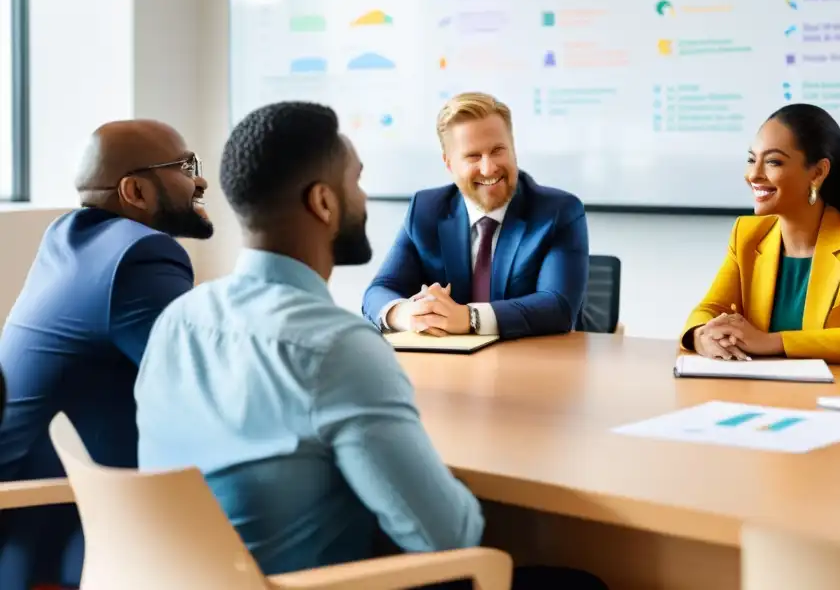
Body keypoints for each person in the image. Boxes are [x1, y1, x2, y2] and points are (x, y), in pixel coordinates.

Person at [135, 102, 604, 590]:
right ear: (323, 202)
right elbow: (453, 537)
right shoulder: (337, 349)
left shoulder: (177, 319)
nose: (363, 197)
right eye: (355, 181)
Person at [0, 120, 213, 590]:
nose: (199, 180)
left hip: (39, 506)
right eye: (185, 167)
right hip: (43, 527)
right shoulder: (140, 256)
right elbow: (212, 386)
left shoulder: (70, 238)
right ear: (135, 190)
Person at [681, 103, 840, 365]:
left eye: (773, 161)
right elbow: (708, 309)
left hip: (832, 393)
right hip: (755, 389)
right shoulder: (747, 234)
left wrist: (767, 341)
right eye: (752, 159)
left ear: (818, 172)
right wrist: (701, 336)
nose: (754, 174)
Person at [362, 92, 589, 339]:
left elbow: (558, 307)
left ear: (513, 150)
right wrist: (407, 313)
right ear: (449, 164)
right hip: (450, 368)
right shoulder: (426, 209)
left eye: (498, 150)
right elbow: (379, 290)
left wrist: (469, 317)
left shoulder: (558, 212)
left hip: (535, 364)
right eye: (473, 156)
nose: (488, 167)